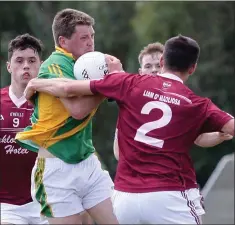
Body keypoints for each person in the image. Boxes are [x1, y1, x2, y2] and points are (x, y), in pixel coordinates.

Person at [23, 35, 234, 224]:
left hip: (126, 199)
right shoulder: (197, 104)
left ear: (162, 62)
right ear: (193, 67)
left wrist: (36, 83)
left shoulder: (129, 83)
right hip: (169, 196)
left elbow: (67, 88)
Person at [15, 8, 118, 225]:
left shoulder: (86, 64)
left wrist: (108, 83)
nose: (90, 42)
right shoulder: (56, 63)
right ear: (63, 40)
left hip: (87, 163)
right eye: (83, 38)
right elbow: (78, 110)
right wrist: (108, 84)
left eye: (92, 36)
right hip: (56, 170)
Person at [0, 34, 48, 224]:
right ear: (9, 66)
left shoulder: (51, 105)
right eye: (19, 61)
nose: (25, 65)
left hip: (45, 203)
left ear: (41, 65)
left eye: (31, 60)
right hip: (6, 205)